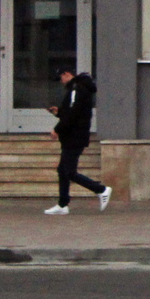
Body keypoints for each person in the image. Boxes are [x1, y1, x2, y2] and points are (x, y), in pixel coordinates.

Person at [44, 69, 111, 215]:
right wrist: (59, 112)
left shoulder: (77, 89)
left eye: (60, 78)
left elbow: (73, 114)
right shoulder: (80, 89)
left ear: (66, 74)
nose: (61, 82)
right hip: (75, 135)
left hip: (75, 136)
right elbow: (74, 112)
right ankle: (62, 205)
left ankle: (101, 189)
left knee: (69, 171)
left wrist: (57, 129)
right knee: (63, 170)